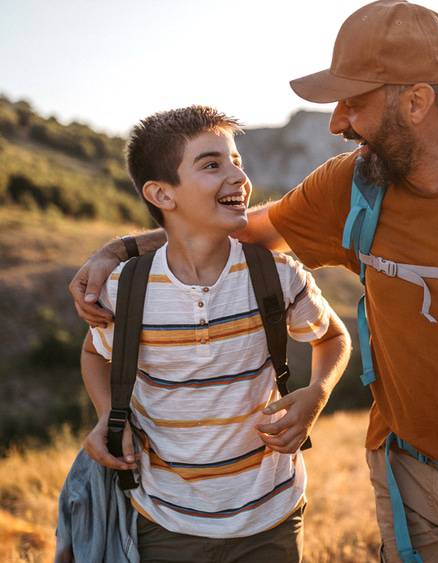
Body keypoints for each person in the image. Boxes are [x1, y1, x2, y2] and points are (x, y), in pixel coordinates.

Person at [70, 2, 438, 561]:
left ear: (414, 100)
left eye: (353, 102)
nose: (337, 122)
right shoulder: (353, 184)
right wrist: (120, 249)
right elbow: (237, 232)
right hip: (403, 470)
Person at [77, 106, 351, 562]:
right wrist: (108, 415)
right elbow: (92, 354)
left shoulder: (278, 274)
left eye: (237, 161)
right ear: (162, 194)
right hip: (166, 520)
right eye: (212, 164)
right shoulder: (125, 289)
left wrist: (317, 393)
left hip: (272, 516)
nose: (237, 177)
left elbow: (333, 336)